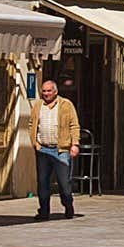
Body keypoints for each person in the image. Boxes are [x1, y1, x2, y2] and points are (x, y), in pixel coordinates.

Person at [28, 78, 81, 220]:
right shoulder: (38, 105)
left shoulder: (66, 105)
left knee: (64, 183)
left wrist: (75, 144)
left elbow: (74, 125)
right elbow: (32, 123)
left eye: (49, 91)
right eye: (44, 91)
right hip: (43, 149)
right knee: (43, 182)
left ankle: (68, 205)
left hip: (61, 150)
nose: (46, 93)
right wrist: (35, 143)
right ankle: (44, 211)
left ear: (55, 91)